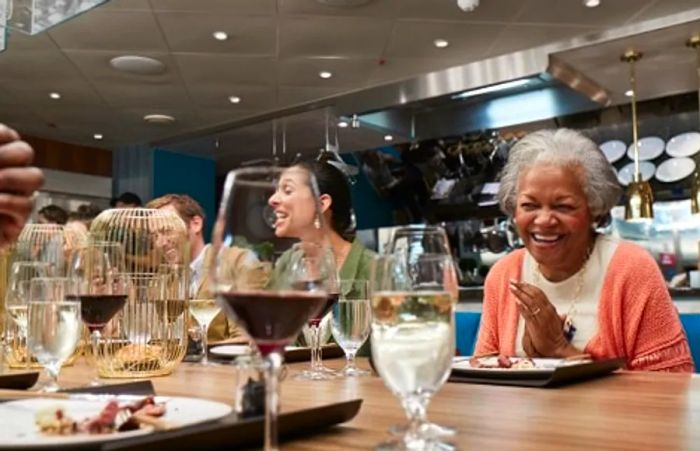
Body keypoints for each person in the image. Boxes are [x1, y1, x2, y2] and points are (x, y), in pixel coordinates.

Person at [474, 128, 693, 372]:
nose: (544, 220)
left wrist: (559, 349)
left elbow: (670, 386)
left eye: (563, 206)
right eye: (529, 205)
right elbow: (482, 373)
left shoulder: (631, 269)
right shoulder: (504, 274)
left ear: (594, 208)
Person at [146, 194, 267, 342]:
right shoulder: (164, 281)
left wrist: (199, 354)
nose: (161, 243)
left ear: (196, 224)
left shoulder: (239, 263)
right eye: (155, 236)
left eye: (167, 231)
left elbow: (248, 338)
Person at [268, 160, 375, 295]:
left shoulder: (374, 269)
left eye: (287, 190)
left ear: (321, 204)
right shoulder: (287, 262)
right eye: (276, 191)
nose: (272, 200)